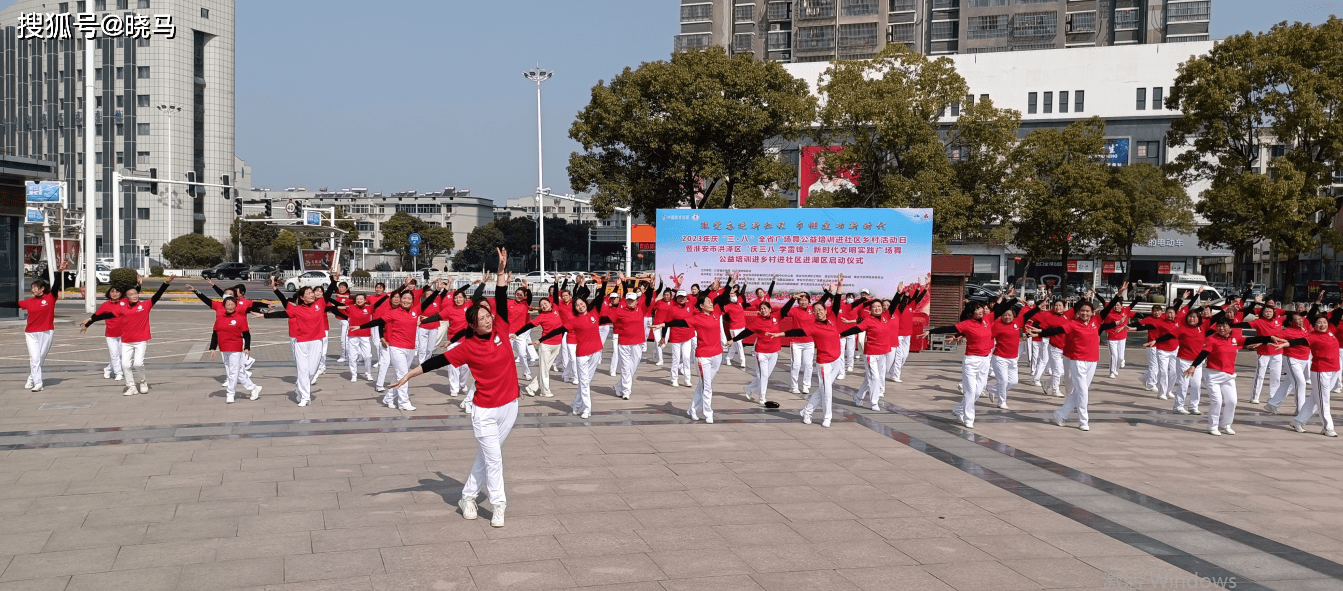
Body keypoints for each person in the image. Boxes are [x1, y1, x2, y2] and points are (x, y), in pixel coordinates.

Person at [388, 249, 521, 527]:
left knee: (487, 457)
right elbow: (435, 362)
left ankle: (468, 497)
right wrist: (408, 375)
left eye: (488, 316)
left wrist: (500, 272)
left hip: (510, 405)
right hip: (484, 412)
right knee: (494, 460)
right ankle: (499, 505)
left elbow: (500, 299)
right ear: (472, 325)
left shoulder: (502, 329)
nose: (487, 319)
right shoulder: (467, 348)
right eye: (481, 318)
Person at [1026, 295, 1123, 431]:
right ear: (1078, 312)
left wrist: (1118, 294)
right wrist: (1041, 332)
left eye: (1087, 311)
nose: (1084, 313)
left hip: (1092, 360)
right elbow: (1058, 330)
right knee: (1083, 391)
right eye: (1082, 311)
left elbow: (1109, 308)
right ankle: (1083, 420)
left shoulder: (1096, 321)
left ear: (1092, 312)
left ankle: (1060, 414)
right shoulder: (1073, 324)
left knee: (1079, 391)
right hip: (1077, 361)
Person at [779, 277, 858, 428]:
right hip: (824, 362)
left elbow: (837, 301)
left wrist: (839, 287)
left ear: (825, 310)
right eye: (815, 311)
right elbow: (797, 331)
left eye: (821, 310)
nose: (818, 312)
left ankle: (806, 411)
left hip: (836, 360)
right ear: (813, 313)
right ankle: (827, 417)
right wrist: (780, 334)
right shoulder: (812, 326)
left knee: (823, 388)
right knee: (827, 390)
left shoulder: (832, 318)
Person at [653, 283, 736, 423]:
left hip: (717, 355)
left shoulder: (716, 312)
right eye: (708, 302)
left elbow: (723, 295)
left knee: (703, 384)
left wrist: (730, 282)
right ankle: (708, 413)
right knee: (707, 386)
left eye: (711, 301)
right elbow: (679, 322)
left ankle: (692, 408)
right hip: (703, 357)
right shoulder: (696, 317)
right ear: (701, 306)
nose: (711, 303)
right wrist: (663, 325)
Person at [81, 278, 174, 396]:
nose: (134, 296)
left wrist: (166, 283)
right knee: (125, 365)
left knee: (138, 364)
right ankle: (131, 386)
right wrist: (90, 319)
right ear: (127, 297)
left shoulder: (146, 305)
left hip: (140, 341)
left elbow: (157, 295)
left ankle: (143, 382)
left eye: (136, 293)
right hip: (126, 341)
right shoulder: (123, 308)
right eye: (131, 294)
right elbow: (108, 315)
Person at [354, 279, 436, 411]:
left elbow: (429, 301)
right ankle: (403, 402)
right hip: (397, 347)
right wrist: (360, 326)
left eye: (409, 299)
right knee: (404, 375)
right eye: (404, 298)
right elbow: (378, 321)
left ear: (413, 300)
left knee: (398, 375)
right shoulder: (393, 312)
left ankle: (388, 397)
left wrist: (438, 289)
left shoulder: (416, 310)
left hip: (410, 348)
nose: (406, 301)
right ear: (400, 299)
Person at [262, 275, 344, 407]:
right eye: (309, 293)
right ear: (302, 297)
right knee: (302, 370)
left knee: (311, 372)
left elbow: (328, 293)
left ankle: (299, 388)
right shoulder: (296, 309)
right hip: (301, 343)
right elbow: (283, 306)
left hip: (317, 342)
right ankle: (306, 397)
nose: (312, 295)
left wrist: (334, 280)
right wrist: (274, 290)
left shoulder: (320, 304)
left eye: (312, 292)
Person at [1186, 317, 1272, 436]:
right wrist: (1193, 366)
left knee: (1232, 401)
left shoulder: (1234, 339)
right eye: (1219, 326)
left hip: (1228, 375)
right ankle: (1212, 426)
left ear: (1230, 327)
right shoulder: (1212, 339)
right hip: (1213, 374)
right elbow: (1203, 353)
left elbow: (1251, 340)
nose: (1221, 328)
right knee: (1217, 401)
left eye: (1224, 326)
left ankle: (1225, 424)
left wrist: (1269, 338)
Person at [538, 277, 608, 419]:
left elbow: (600, 296)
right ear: (574, 308)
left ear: (585, 304)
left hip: (596, 351)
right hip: (582, 354)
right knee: (584, 381)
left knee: (586, 381)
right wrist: (541, 339)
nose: (580, 307)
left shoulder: (594, 312)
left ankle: (576, 404)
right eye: (577, 306)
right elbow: (557, 331)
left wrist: (605, 282)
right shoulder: (573, 320)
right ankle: (587, 408)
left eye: (582, 304)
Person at [927, 301, 997, 429]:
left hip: (985, 360)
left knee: (978, 390)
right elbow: (949, 328)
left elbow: (1002, 308)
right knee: (970, 390)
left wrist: (1014, 300)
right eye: (977, 309)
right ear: (971, 312)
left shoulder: (987, 319)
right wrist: (931, 332)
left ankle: (959, 409)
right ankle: (969, 418)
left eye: (981, 308)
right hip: (971, 360)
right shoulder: (966, 324)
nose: (981, 311)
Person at [187, 286, 262, 403]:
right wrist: (212, 348)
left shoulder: (240, 317)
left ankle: (230, 394)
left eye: (232, 304)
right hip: (223, 347)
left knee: (233, 371)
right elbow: (215, 333)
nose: (230, 306)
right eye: (228, 304)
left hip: (236, 347)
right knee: (235, 371)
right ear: (224, 304)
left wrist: (247, 347)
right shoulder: (220, 316)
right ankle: (253, 388)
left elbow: (246, 334)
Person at [1277, 315, 1339, 437]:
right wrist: (1288, 344)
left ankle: (1298, 421)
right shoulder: (1313, 336)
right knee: (1324, 401)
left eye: (1324, 322)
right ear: (1314, 325)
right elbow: (1301, 341)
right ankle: (1328, 427)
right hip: (1321, 371)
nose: (1322, 325)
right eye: (1319, 323)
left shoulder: (1330, 332)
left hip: (1334, 370)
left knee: (1316, 398)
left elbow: (1337, 316)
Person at [2, 279, 62, 391]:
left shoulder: (50, 298)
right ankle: (38, 383)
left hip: (46, 332)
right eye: (32, 287)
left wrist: (58, 271)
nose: (32, 289)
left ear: (42, 288)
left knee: (40, 358)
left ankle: (31, 378)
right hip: (31, 333)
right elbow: (13, 304)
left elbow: (55, 286)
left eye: (35, 287)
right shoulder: (29, 302)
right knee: (34, 359)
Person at [842, 298, 896, 410]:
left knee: (870, 378)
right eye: (874, 307)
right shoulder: (868, 320)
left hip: (883, 353)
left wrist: (899, 293)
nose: (877, 308)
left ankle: (858, 397)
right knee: (875, 378)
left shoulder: (886, 317)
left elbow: (894, 304)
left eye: (879, 306)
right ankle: (874, 402)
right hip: (871, 354)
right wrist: (840, 334)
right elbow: (855, 329)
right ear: (870, 310)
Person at [609, 275, 656, 400]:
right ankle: (626, 391)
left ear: (636, 301)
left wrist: (651, 287)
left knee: (632, 367)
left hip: (638, 342)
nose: (630, 302)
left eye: (632, 300)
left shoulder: (641, 308)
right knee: (625, 367)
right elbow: (611, 314)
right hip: (624, 343)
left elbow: (648, 298)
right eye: (628, 300)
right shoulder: (620, 310)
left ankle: (619, 386)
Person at [732, 299, 785, 406]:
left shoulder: (776, 317)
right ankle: (762, 398)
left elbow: (786, 309)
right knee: (763, 375)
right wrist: (733, 340)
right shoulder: (758, 321)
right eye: (761, 309)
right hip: (762, 353)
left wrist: (793, 298)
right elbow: (746, 332)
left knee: (765, 375)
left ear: (770, 309)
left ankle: (749, 388)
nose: (763, 310)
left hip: (774, 352)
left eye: (765, 308)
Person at [1265, 311, 1312, 416]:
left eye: (1301, 319)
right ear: (1291, 322)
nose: (1300, 321)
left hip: (1304, 359)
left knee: (1289, 382)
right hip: (1292, 359)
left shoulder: (1304, 329)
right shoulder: (1287, 331)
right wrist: (1272, 343)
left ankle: (1272, 404)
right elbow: (1275, 337)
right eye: (1297, 320)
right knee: (1300, 383)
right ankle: (1301, 410)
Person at [1246, 300, 1283, 404]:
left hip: (1277, 351)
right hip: (1263, 352)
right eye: (1266, 311)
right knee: (1260, 375)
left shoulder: (1279, 321)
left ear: (1274, 313)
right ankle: (1255, 397)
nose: (1268, 313)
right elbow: (1246, 324)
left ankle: (1273, 397)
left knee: (1276, 376)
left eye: (1270, 312)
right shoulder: (1258, 322)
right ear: (1262, 312)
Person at [87, 286, 126, 383]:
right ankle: (119, 373)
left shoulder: (125, 302)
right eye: (112, 292)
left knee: (121, 355)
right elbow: (96, 316)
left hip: (123, 334)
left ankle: (108, 369)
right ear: (109, 294)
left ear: (121, 293)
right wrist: (87, 325)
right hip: (111, 335)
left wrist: (139, 286)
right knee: (114, 354)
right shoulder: (105, 305)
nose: (114, 294)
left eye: (117, 291)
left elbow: (134, 297)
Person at [657, 290, 695, 387]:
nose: (681, 299)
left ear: (686, 298)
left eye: (683, 297)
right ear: (676, 298)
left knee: (686, 358)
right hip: (676, 337)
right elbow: (666, 323)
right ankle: (674, 379)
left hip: (687, 336)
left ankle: (687, 379)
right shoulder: (672, 309)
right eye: (679, 297)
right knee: (676, 359)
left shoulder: (690, 307)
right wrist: (663, 337)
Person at [1105, 288, 1141, 378]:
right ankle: (1112, 372)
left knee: (1120, 358)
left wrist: (1142, 296)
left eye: (1118, 305)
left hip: (1122, 337)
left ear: (1121, 306)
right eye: (1115, 305)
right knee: (1114, 355)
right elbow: (1106, 325)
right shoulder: (1110, 314)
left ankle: (1116, 369)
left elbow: (1133, 304)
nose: (1116, 307)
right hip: (1112, 337)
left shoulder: (1125, 311)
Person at [344, 294, 375, 382]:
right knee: (352, 356)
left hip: (365, 335)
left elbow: (379, 303)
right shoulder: (350, 308)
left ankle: (368, 373)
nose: (359, 300)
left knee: (368, 356)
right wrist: (351, 298)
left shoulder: (369, 308)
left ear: (365, 300)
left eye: (361, 299)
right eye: (357, 299)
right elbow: (341, 305)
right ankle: (354, 375)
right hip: (353, 335)